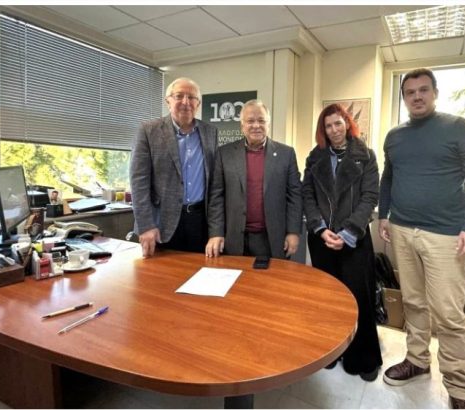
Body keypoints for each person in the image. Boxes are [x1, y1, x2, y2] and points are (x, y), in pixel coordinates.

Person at [378, 68, 465, 409]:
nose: (417, 96)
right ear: (404, 97)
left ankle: (459, 387)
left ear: (435, 93)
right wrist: (384, 214)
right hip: (402, 230)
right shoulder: (395, 136)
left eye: (423, 90)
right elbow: (388, 178)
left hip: (445, 235)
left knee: (448, 313)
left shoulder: (458, 128)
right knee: (413, 302)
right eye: (410, 92)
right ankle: (417, 359)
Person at [302, 103, 383, 381]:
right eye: (328, 126)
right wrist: (319, 228)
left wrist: (347, 234)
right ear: (322, 130)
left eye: (338, 123)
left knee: (359, 298)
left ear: (347, 124)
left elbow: (370, 197)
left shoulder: (366, 156)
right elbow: (307, 195)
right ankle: (332, 351)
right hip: (322, 239)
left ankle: (364, 357)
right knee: (328, 300)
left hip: (355, 239)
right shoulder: (315, 158)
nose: (334, 129)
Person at [130, 77, 218, 257]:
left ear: (198, 104)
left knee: (199, 271)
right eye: (179, 96)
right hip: (160, 224)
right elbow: (139, 182)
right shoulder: (148, 130)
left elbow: (214, 183)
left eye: (191, 97)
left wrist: (216, 229)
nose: (185, 102)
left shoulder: (210, 132)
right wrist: (146, 225)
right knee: (160, 273)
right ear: (168, 101)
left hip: (199, 221)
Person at [205, 100, 302, 259]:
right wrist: (216, 233)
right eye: (250, 121)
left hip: (272, 239)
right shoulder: (224, 154)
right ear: (242, 125)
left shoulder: (286, 154)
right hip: (234, 238)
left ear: (268, 124)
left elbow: (295, 196)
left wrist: (293, 232)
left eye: (261, 121)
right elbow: (217, 197)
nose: (256, 125)